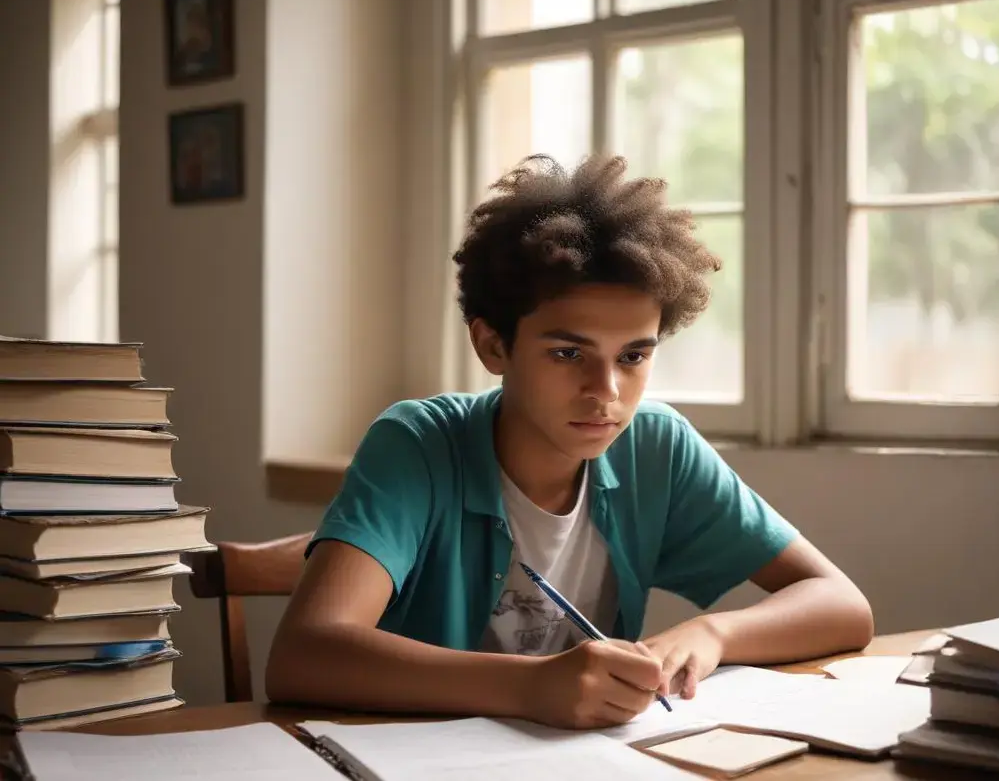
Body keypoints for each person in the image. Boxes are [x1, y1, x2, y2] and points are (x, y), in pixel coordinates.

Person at [266, 154, 874, 730]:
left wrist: (712, 634)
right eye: (567, 353)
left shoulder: (656, 447)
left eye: (634, 355)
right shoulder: (418, 445)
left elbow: (842, 605)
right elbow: (302, 656)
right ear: (493, 346)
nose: (605, 391)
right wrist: (531, 686)